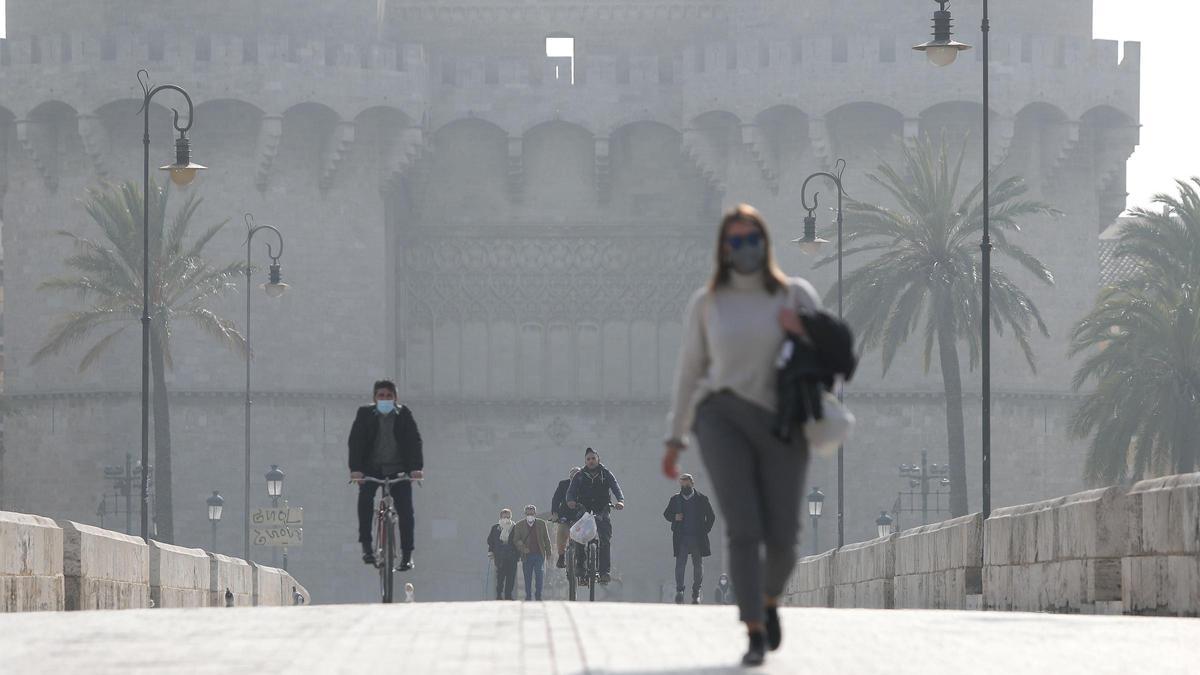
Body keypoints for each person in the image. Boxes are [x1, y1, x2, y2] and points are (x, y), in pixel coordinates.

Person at [661, 204, 820, 667]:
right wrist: (676, 437)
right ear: (723, 248)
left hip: (782, 418)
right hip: (722, 418)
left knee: (786, 537)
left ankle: (769, 599)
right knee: (744, 527)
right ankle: (752, 626)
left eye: (752, 240)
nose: (744, 249)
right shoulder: (707, 303)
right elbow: (690, 371)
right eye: (735, 241)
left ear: (765, 244)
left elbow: (830, 353)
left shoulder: (796, 295)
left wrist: (804, 335)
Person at [348, 379, 424, 571]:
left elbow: (414, 441)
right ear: (374, 398)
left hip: (398, 470)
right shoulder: (364, 414)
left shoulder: (404, 415)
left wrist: (416, 468)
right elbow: (355, 442)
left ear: (395, 398)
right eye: (381, 396)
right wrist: (355, 470)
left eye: (389, 396)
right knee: (365, 501)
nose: (385, 399)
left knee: (406, 511)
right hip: (371, 469)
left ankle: (407, 555)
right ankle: (367, 546)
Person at [565, 447, 625, 584]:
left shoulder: (606, 474)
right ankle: (580, 566)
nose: (591, 461)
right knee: (579, 537)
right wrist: (571, 501)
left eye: (593, 458)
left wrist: (620, 501)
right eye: (588, 459)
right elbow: (571, 491)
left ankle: (604, 572)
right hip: (584, 510)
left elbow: (616, 488)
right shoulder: (579, 476)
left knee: (605, 539)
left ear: (598, 459)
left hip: (602, 510)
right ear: (585, 461)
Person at [662, 473, 716, 605]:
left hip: (697, 538)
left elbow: (711, 516)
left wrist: (705, 530)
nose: (684, 485)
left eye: (686, 483)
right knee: (680, 566)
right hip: (681, 538)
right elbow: (666, 514)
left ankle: (696, 592)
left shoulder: (701, 499)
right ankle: (680, 591)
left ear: (692, 483)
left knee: (698, 566)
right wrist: (675, 517)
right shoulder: (675, 499)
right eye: (682, 483)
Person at [511, 505, 553, 601]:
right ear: (525, 514)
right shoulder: (519, 525)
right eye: (528, 513)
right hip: (527, 556)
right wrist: (522, 548)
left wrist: (549, 552)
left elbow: (546, 539)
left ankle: (538, 595)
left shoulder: (541, 524)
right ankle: (528, 596)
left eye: (532, 513)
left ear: (535, 514)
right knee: (527, 577)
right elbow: (516, 539)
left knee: (539, 575)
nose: (530, 515)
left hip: (539, 554)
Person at [550, 467, 582, 568]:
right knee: (561, 532)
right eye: (573, 476)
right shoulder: (563, 484)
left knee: (585, 535)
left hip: (580, 515)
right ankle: (561, 556)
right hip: (565, 515)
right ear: (570, 477)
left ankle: (585, 558)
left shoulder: (586, 485)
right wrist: (555, 513)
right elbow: (556, 499)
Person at [487, 508, 519, 600]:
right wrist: (490, 551)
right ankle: (499, 594)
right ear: (501, 517)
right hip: (499, 556)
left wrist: (518, 555)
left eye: (508, 517)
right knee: (500, 577)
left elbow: (518, 541)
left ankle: (508, 595)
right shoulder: (495, 528)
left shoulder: (515, 527)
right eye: (504, 517)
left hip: (512, 557)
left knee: (511, 577)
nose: (506, 518)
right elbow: (491, 541)